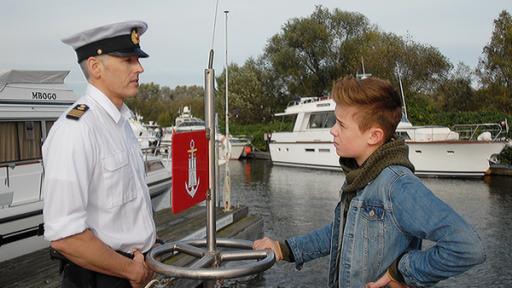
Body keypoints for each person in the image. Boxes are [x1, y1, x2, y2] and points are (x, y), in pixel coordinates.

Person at [253, 76, 485, 288]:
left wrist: (403, 271)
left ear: (374, 136)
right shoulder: (361, 177)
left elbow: (467, 247)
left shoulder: (397, 185)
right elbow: (341, 233)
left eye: (341, 125)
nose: (333, 131)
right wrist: (283, 249)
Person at [43, 21, 156, 288]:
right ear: (95, 67)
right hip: (98, 279)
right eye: (128, 60)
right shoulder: (76, 130)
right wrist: (130, 270)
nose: (139, 68)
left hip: (130, 270)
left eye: (137, 60)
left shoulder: (122, 125)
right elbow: (65, 236)